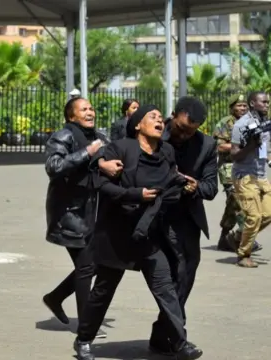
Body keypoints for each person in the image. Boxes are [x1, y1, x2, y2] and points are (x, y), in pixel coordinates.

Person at [74, 105, 202, 360]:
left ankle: (178, 341)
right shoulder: (120, 148)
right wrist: (136, 195)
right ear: (137, 125)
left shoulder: (166, 151)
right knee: (103, 291)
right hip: (116, 236)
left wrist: (184, 185)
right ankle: (84, 339)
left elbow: (171, 180)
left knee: (166, 288)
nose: (159, 120)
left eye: (160, 118)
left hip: (149, 236)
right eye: (151, 117)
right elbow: (101, 185)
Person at [149, 97, 217, 354]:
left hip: (185, 220)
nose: (184, 135)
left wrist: (196, 186)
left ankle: (163, 333)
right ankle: (178, 338)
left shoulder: (206, 145)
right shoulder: (152, 131)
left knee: (184, 276)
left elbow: (211, 188)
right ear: (172, 115)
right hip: (150, 215)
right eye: (179, 128)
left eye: (191, 131)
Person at [42, 97, 113, 338]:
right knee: (86, 267)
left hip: (92, 210)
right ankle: (86, 327)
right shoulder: (63, 136)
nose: (90, 112)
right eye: (84, 109)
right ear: (71, 116)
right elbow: (54, 166)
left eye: (91, 107)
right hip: (69, 212)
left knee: (94, 264)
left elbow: (104, 160)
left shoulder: (99, 136)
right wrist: (87, 152)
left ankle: (55, 297)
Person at [213, 94, 261, 252]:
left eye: (244, 105)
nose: (242, 108)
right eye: (239, 105)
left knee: (234, 204)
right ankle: (245, 239)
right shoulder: (225, 123)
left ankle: (225, 237)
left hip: (249, 167)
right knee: (240, 201)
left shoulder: (251, 122)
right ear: (232, 106)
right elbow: (220, 147)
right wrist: (241, 143)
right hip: (229, 167)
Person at [230, 91, 271, 268]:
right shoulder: (241, 125)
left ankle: (239, 236)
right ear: (253, 104)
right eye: (264, 102)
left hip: (261, 175)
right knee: (254, 216)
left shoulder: (265, 123)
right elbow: (234, 155)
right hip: (244, 176)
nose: (267, 105)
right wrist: (251, 146)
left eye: (268, 102)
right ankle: (243, 254)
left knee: (268, 214)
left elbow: (267, 148)